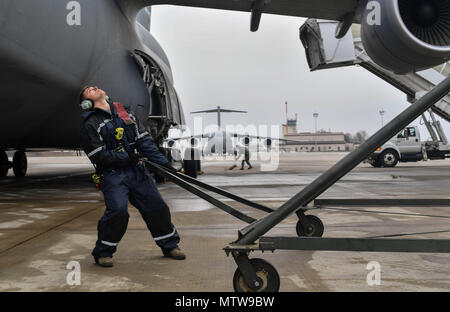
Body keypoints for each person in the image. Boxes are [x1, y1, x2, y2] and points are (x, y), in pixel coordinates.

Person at [79, 86, 185, 267]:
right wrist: (126, 157)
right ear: (86, 103)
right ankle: (104, 252)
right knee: (118, 212)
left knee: (156, 206)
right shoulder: (90, 124)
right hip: (112, 175)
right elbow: (98, 155)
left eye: (95, 86)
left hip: (137, 171)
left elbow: (145, 142)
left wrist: (164, 165)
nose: (94, 87)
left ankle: (169, 245)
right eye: (88, 90)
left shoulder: (125, 114)